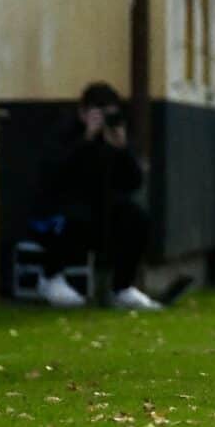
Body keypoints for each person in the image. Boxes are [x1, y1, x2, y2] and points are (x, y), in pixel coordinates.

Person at [28, 83, 162, 311]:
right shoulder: (66, 133)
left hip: (101, 212)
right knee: (72, 216)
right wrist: (87, 139)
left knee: (136, 217)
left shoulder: (112, 137)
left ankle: (121, 287)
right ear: (83, 112)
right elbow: (55, 174)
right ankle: (51, 277)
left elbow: (133, 182)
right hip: (60, 210)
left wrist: (122, 149)